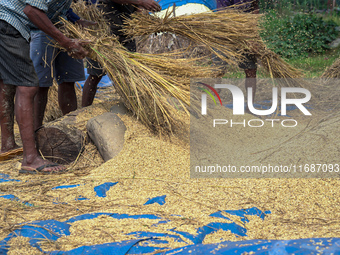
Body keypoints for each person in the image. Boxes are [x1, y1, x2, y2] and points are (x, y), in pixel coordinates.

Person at [0, 0, 88, 174]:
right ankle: (31, 159)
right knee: (28, 88)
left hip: (5, 22)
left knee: (5, 85)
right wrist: (66, 42)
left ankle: (7, 145)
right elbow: (32, 10)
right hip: (8, 24)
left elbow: (55, 11)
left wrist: (75, 22)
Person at [82, 0, 162, 107]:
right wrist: (142, 2)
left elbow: (138, 8)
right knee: (95, 75)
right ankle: (84, 111)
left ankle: (134, 108)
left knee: (129, 72)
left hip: (125, 28)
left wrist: (146, 21)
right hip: (103, 27)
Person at [31, 9, 96, 130]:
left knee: (68, 79)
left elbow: (61, 6)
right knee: (41, 83)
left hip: (64, 26)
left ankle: (71, 128)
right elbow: (33, 10)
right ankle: (35, 132)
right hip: (41, 28)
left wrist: (76, 19)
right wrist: (63, 39)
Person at [216, 0, 259, 103]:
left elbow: (255, 9)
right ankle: (213, 105)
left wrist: (253, 33)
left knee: (251, 70)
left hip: (246, 35)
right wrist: (241, 30)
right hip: (224, 33)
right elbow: (223, 14)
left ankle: (250, 106)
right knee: (218, 71)